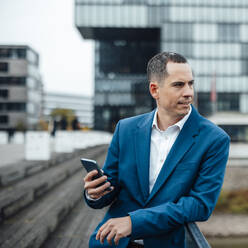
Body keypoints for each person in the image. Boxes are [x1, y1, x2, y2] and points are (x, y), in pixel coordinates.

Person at [83, 52, 230, 248]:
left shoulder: (215, 139)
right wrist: (95, 193)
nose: (189, 93)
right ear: (155, 90)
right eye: (179, 85)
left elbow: (200, 205)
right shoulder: (125, 129)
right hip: (113, 243)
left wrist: (135, 222)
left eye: (191, 83)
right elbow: (111, 188)